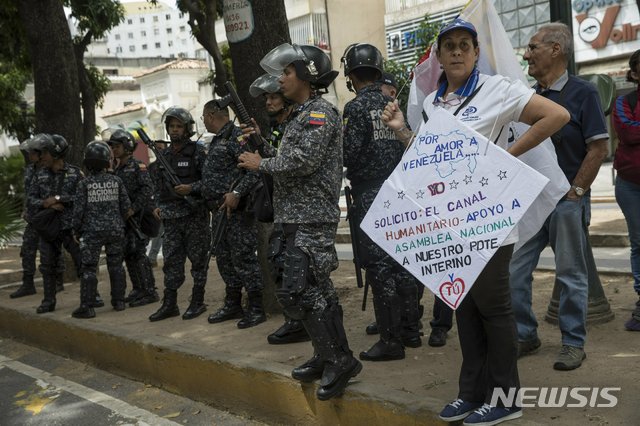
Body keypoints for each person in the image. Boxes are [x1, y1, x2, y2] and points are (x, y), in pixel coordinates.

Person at [382, 18, 569, 424]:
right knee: (462, 306)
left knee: (494, 308)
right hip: (449, 221)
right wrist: (401, 131)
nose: (456, 52)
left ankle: (506, 400)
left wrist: (504, 157)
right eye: (448, 45)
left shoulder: (496, 90)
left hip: (490, 220)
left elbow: (556, 115)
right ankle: (471, 393)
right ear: (439, 54)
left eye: (465, 45)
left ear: (476, 52)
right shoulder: (433, 103)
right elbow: (433, 157)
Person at [238, 43, 362, 401]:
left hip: (310, 216)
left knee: (302, 288)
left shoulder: (319, 113)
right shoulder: (300, 114)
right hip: (295, 214)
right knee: (312, 288)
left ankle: (339, 359)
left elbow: (302, 161)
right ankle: (328, 355)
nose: (281, 79)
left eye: (287, 72)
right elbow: (289, 159)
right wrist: (264, 155)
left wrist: (259, 163)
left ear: (306, 75)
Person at [509, 23, 609, 369]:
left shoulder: (585, 93)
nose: (526, 54)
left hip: (566, 201)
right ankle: (525, 334)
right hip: (530, 200)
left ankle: (572, 343)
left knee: (570, 275)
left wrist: (576, 192)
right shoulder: (527, 96)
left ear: (555, 49)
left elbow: (598, 148)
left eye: (532, 47)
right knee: (513, 272)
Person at [341, 42, 422, 361]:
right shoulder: (391, 104)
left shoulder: (356, 107)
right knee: (402, 261)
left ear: (351, 75)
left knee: (378, 267)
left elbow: (349, 153)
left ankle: (390, 341)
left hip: (371, 193)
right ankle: (411, 331)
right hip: (400, 191)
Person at [248, 73, 309, 344]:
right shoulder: (277, 129)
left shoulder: (297, 124)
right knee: (279, 264)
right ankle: (295, 320)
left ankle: (305, 323)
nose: (269, 102)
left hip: (301, 209)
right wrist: (259, 141)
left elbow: (290, 163)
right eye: (267, 98)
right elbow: (275, 157)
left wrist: (260, 160)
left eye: (274, 96)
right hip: (284, 209)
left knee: (301, 272)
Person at [201, 100, 266, 329]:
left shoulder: (236, 136)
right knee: (226, 259)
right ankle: (233, 303)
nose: (203, 122)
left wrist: (236, 193)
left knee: (244, 258)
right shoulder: (219, 139)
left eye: (203, 118)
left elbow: (254, 171)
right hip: (219, 210)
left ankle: (257, 307)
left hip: (237, 212)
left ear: (210, 115)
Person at [148, 107, 210, 322]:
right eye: (171, 126)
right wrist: (156, 204)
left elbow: (210, 183)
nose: (174, 130)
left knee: (198, 260)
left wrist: (191, 188)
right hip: (171, 218)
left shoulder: (197, 152)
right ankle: (170, 303)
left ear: (187, 129)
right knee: (172, 261)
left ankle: (197, 300)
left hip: (194, 215)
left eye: (178, 126)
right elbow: (156, 185)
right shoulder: (162, 155)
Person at [27, 134, 87, 313]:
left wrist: (60, 198)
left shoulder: (75, 173)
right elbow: (31, 199)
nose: (42, 156)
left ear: (56, 153)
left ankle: (90, 297)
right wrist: (45, 202)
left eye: (45, 153)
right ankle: (48, 301)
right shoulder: (39, 175)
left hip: (71, 228)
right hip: (49, 228)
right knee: (47, 265)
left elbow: (83, 196)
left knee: (83, 262)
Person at [71, 141, 131, 318]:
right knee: (116, 265)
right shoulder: (116, 181)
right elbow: (126, 207)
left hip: (92, 232)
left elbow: (78, 211)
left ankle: (87, 307)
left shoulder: (84, 184)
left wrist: (75, 230)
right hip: (115, 230)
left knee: (89, 268)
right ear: (107, 160)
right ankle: (119, 301)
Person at [108, 129, 159, 307]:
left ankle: (150, 291)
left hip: (140, 217)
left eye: (117, 146)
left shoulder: (138, 166)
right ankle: (138, 288)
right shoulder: (116, 169)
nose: (114, 149)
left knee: (139, 254)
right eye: (112, 146)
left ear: (127, 146)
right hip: (125, 219)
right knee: (129, 254)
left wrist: (133, 209)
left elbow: (147, 189)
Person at [611, 49, 640, 331]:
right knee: (639, 243)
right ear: (634, 74)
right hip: (631, 186)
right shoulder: (624, 101)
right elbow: (628, 133)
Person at [147, 141, 166, 268]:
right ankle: (152, 257)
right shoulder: (152, 167)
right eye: (156, 148)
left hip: (170, 201)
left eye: (160, 148)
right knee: (159, 231)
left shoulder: (170, 164)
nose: (158, 150)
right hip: (156, 202)